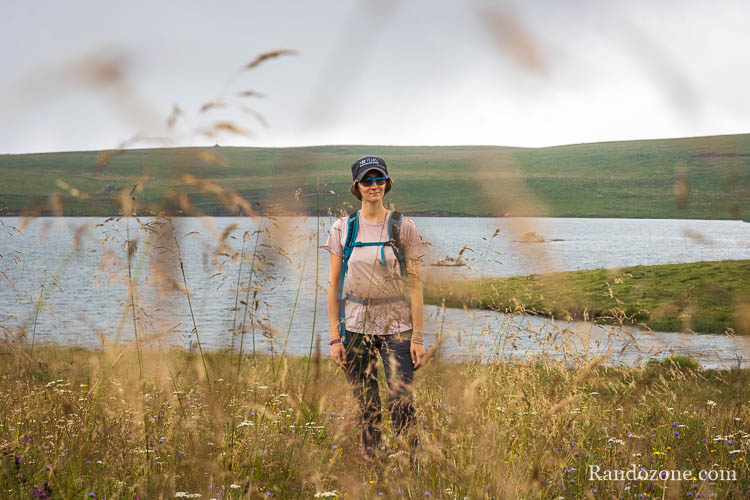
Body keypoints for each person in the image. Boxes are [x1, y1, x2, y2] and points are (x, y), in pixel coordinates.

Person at [324, 155, 426, 460]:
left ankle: (410, 466)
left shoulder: (403, 226)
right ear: (357, 186)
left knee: (401, 400)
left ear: (387, 183)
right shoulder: (343, 229)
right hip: (355, 328)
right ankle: (372, 465)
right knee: (366, 404)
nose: (374, 185)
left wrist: (418, 337)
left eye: (379, 179)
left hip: (398, 328)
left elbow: (416, 285)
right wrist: (334, 338)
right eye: (367, 180)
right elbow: (333, 287)